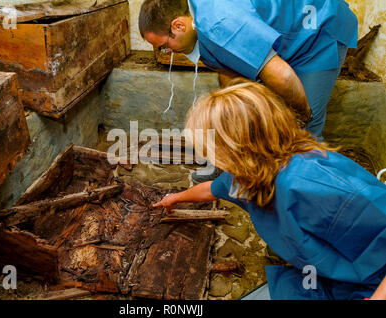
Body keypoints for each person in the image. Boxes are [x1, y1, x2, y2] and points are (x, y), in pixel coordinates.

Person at [153, 78, 386, 300]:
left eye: (212, 152)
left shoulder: (313, 184)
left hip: (368, 284)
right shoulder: (247, 173)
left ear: (237, 149)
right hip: (324, 274)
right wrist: (175, 198)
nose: (211, 159)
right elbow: (212, 189)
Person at [139, 0, 358, 183]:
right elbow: (228, 68)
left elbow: (282, 76)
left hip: (319, 32)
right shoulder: (198, 24)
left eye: (164, 46)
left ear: (178, 26)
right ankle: (229, 166)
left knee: (304, 135)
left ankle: (309, 196)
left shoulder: (219, 22)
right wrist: (230, 109)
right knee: (238, 108)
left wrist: (304, 114)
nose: (165, 52)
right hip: (288, 34)